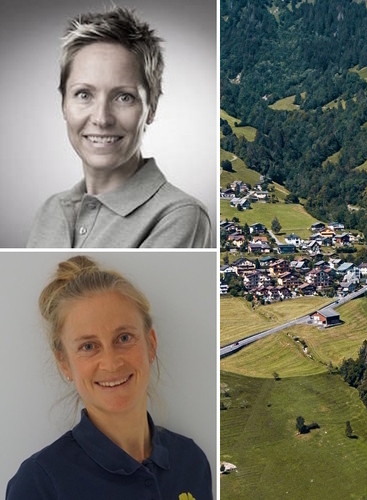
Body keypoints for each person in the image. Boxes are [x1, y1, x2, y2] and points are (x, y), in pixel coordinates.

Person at [5, 256, 212, 499]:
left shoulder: (191, 461)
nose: (111, 363)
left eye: (123, 338)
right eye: (88, 346)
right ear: (64, 363)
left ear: (151, 344)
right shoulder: (40, 484)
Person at [26, 7, 212, 248]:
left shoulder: (180, 217)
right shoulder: (49, 211)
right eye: (83, 94)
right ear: (64, 104)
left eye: (124, 97)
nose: (102, 118)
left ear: (151, 108)